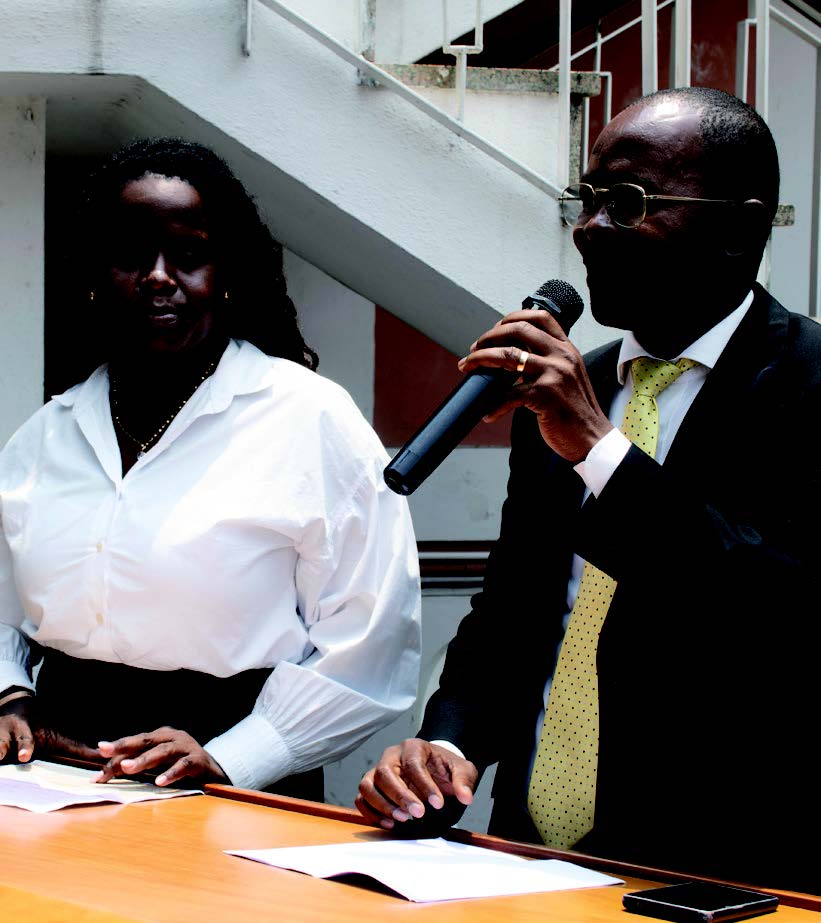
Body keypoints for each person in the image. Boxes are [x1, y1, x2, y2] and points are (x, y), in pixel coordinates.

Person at [356, 86, 821, 893]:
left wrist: (599, 450)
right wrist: (449, 744)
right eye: (588, 198)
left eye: (628, 202)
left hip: (718, 868)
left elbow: (764, 610)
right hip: (528, 849)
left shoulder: (807, 385)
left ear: (739, 228)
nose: (588, 226)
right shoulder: (577, 389)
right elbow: (513, 612)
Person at [0, 138, 421, 798]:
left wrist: (233, 756)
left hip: (234, 777)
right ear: (95, 274)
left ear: (227, 274)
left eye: (189, 255)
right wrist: (11, 695)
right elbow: (4, 606)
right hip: (56, 777)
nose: (159, 276)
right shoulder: (46, 434)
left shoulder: (310, 419)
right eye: (131, 255)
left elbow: (370, 638)